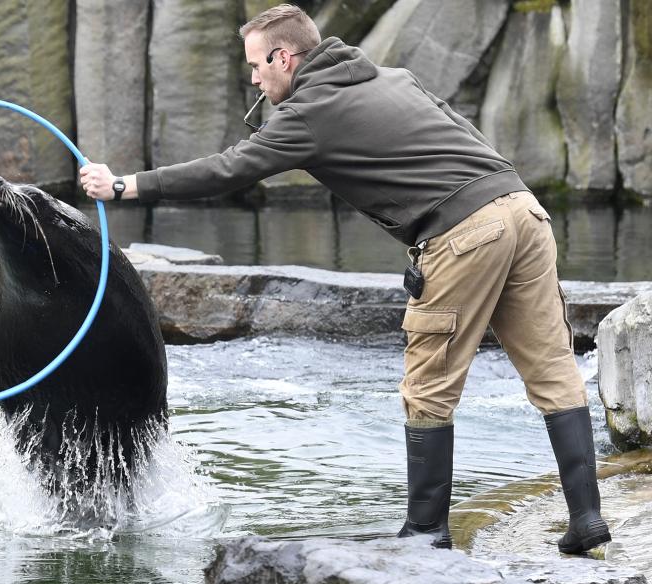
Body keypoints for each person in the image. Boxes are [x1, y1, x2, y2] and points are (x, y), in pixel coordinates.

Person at [79, 4, 611, 553]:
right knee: (552, 367)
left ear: (284, 57)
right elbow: (467, 137)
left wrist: (125, 186)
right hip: (524, 210)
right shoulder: (396, 79)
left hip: (463, 233)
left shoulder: (308, 114)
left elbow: (229, 168)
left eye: (258, 66)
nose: (255, 78)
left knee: (428, 388)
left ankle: (426, 535)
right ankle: (587, 518)